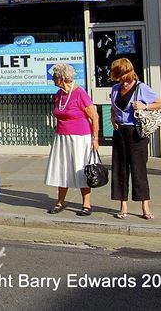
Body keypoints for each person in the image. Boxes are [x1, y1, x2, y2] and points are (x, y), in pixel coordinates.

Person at [109, 58, 161, 220]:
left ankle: (145, 205)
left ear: (129, 73)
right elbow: (114, 107)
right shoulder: (115, 88)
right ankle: (123, 205)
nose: (122, 82)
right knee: (119, 169)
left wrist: (144, 106)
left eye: (123, 78)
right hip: (120, 132)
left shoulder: (141, 88)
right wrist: (113, 118)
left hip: (136, 133)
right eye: (118, 78)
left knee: (138, 169)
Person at [44, 62, 98, 216]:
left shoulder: (80, 93)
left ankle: (86, 204)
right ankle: (60, 201)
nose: (52, 79)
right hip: (62, 137)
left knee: (81, 169)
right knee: (62, 169)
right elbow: (59, 113)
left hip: (80, 138)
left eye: (54, 76)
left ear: (61, 78)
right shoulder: (60, 94)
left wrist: (95, 139)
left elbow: (94, 116)